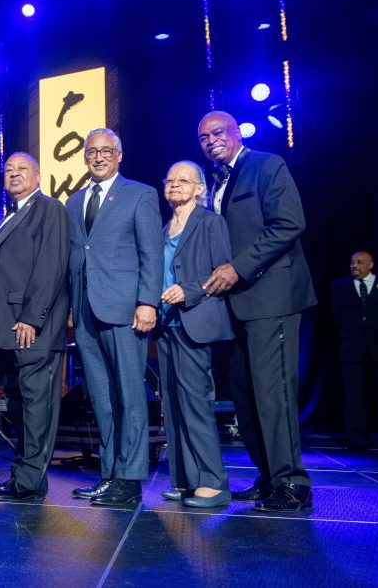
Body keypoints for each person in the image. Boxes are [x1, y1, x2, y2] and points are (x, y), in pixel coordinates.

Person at [197, 110, 316, 513]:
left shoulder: (267, 165)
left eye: (217, 132)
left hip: (271, 296)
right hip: (233, 308)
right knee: (245, 396)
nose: (211, 140)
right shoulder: (212, 182)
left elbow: (288, 223)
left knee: (273, 392)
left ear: (235, 133)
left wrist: (239, 268)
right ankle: (269, 477)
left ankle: (292, 482)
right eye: (203, 137)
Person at [0, 152, 68, 503]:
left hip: (29, 327)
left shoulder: (48, 209)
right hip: (4, 329)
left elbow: (51, 266)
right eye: (8, 170)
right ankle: (26, 477)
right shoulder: (9, 216)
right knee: (20, 404)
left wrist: (31, 318)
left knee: (37, 405)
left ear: (38, 176)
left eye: (22, 169)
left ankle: (27, 481)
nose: (14, 175)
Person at [67, 128, 163, 507]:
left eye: (106, 150)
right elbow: (76, 257)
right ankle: (109, 474)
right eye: (92, 151)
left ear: (119, 155)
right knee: (102, 398)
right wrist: (72, 308)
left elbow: (151, 254)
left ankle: (131, 477)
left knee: (129, 396)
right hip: (86, 311)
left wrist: (147, 302)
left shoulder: (140, 194)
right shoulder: (74, 202)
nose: (99, 156)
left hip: (125, 310)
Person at [156, 161, 235, 507]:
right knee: (172, 404)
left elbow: (222, 272)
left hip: (194, 320)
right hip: (166, 324)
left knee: (195, 404)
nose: (174, 185)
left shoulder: (211, 222)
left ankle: (213, 482)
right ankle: (186, 480)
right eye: (169, 180)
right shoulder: (163, 227)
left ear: (200, 188)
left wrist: (189, 290)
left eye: (183, 180)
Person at [331, 251, 378, 453]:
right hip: (353, 350)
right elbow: (337, 316)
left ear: (371, 265)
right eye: (352, 262)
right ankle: (358, 438)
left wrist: (375, 328)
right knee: (356, 397)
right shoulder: (341, 286)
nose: (354, 265)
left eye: (360, 262)